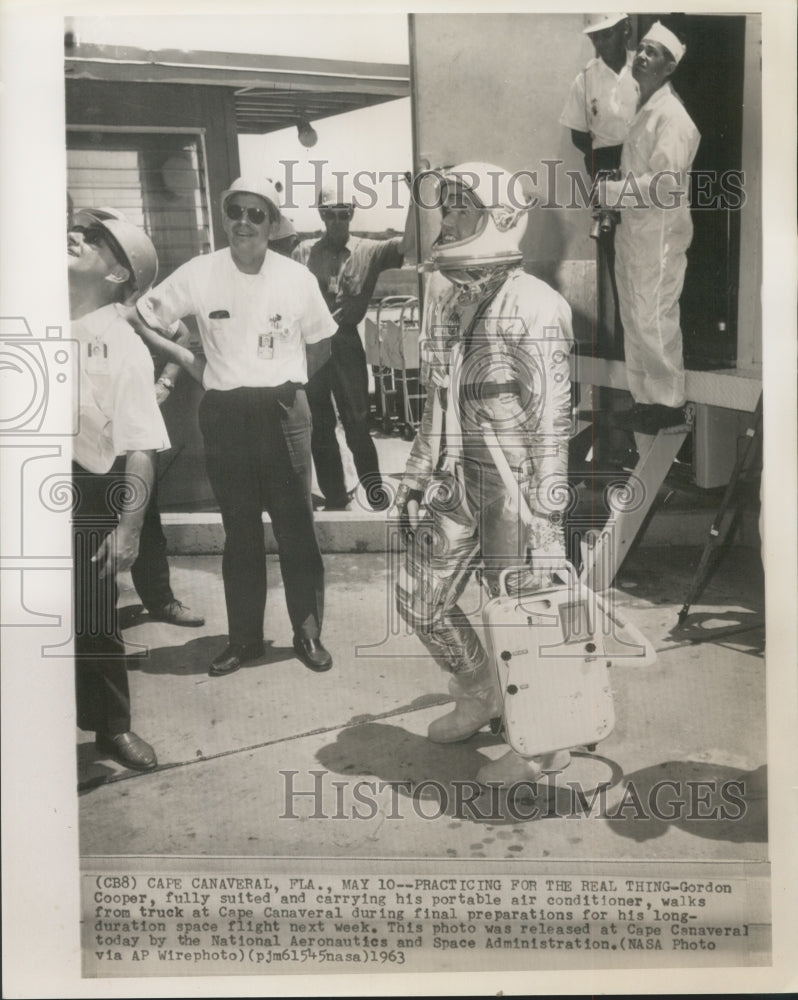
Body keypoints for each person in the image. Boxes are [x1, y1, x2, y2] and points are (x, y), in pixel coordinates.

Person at [395, 162, 574, 788]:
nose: (445, 217)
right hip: (455, 473)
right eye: (444, 204)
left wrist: (547, 522)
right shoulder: (446, 296)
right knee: (419, 597)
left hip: (516, 485)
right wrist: (417, 476)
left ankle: (542, 748)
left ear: (499, 215)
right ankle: (479, 694)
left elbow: (555, 419)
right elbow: (436, 398)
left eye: (459, 204)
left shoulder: (539, 306)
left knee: (519, 616)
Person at [130, 176, 338, 675]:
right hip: (225, 415)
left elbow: (321, 343)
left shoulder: (296, 277)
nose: (244, 222)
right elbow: (145, 315)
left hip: (285, 412)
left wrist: (285, 382)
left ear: (272, 222)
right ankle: (244, 640)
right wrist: (196, 365)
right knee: (239, 531)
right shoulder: (200, 273)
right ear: (225, 218)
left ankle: (307, 634)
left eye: (256, 213)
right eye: (235, 212)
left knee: (296, 528)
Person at [72, 207, 204, 628]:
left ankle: (160, 599)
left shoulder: (139, 302)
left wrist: (162, 383)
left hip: (131, 424)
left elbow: (183, 336)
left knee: (144, 520)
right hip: (94, 427)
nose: (82, 240)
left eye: (100, 239)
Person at [69, 215, 168, 770]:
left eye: (96, 240)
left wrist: (128, 531)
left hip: (84, 490)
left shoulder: (125, 347)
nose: (77, 238)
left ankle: (111, 729)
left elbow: (140, 447)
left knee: (92, 613)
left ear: (117, 276)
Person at [598, 20, 700, 434]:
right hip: (634, 233)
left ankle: (669, 403)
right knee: (634, 318)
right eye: (641, 48)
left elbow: (666, 185)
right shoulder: (642, 110)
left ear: (669, 66)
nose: (641, 56)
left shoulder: (672, 118)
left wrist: (612, 192)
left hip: (658, 235)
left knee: (653, 316)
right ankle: (644, 400)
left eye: (653, 52)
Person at [293, 179, 411, 511]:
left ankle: (374, 495)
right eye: (330, 214)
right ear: (321, 215)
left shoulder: (369, 249)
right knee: (320, 425)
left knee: (358, 421)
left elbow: (409, 244)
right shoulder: (303, 252)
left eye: (343, 214)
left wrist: (417, 198)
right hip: (311, 344)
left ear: (352, 214)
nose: (337, 221)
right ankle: (334, 497)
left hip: (345, 343)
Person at [559, 13, 638, 179]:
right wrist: (604, 163)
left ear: (625, 29)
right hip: (606, 164)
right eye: (595, 37)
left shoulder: (643, 68)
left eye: (607, 34)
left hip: (644, 161)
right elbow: (578, 136)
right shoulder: (585, 81)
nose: (601, 43)